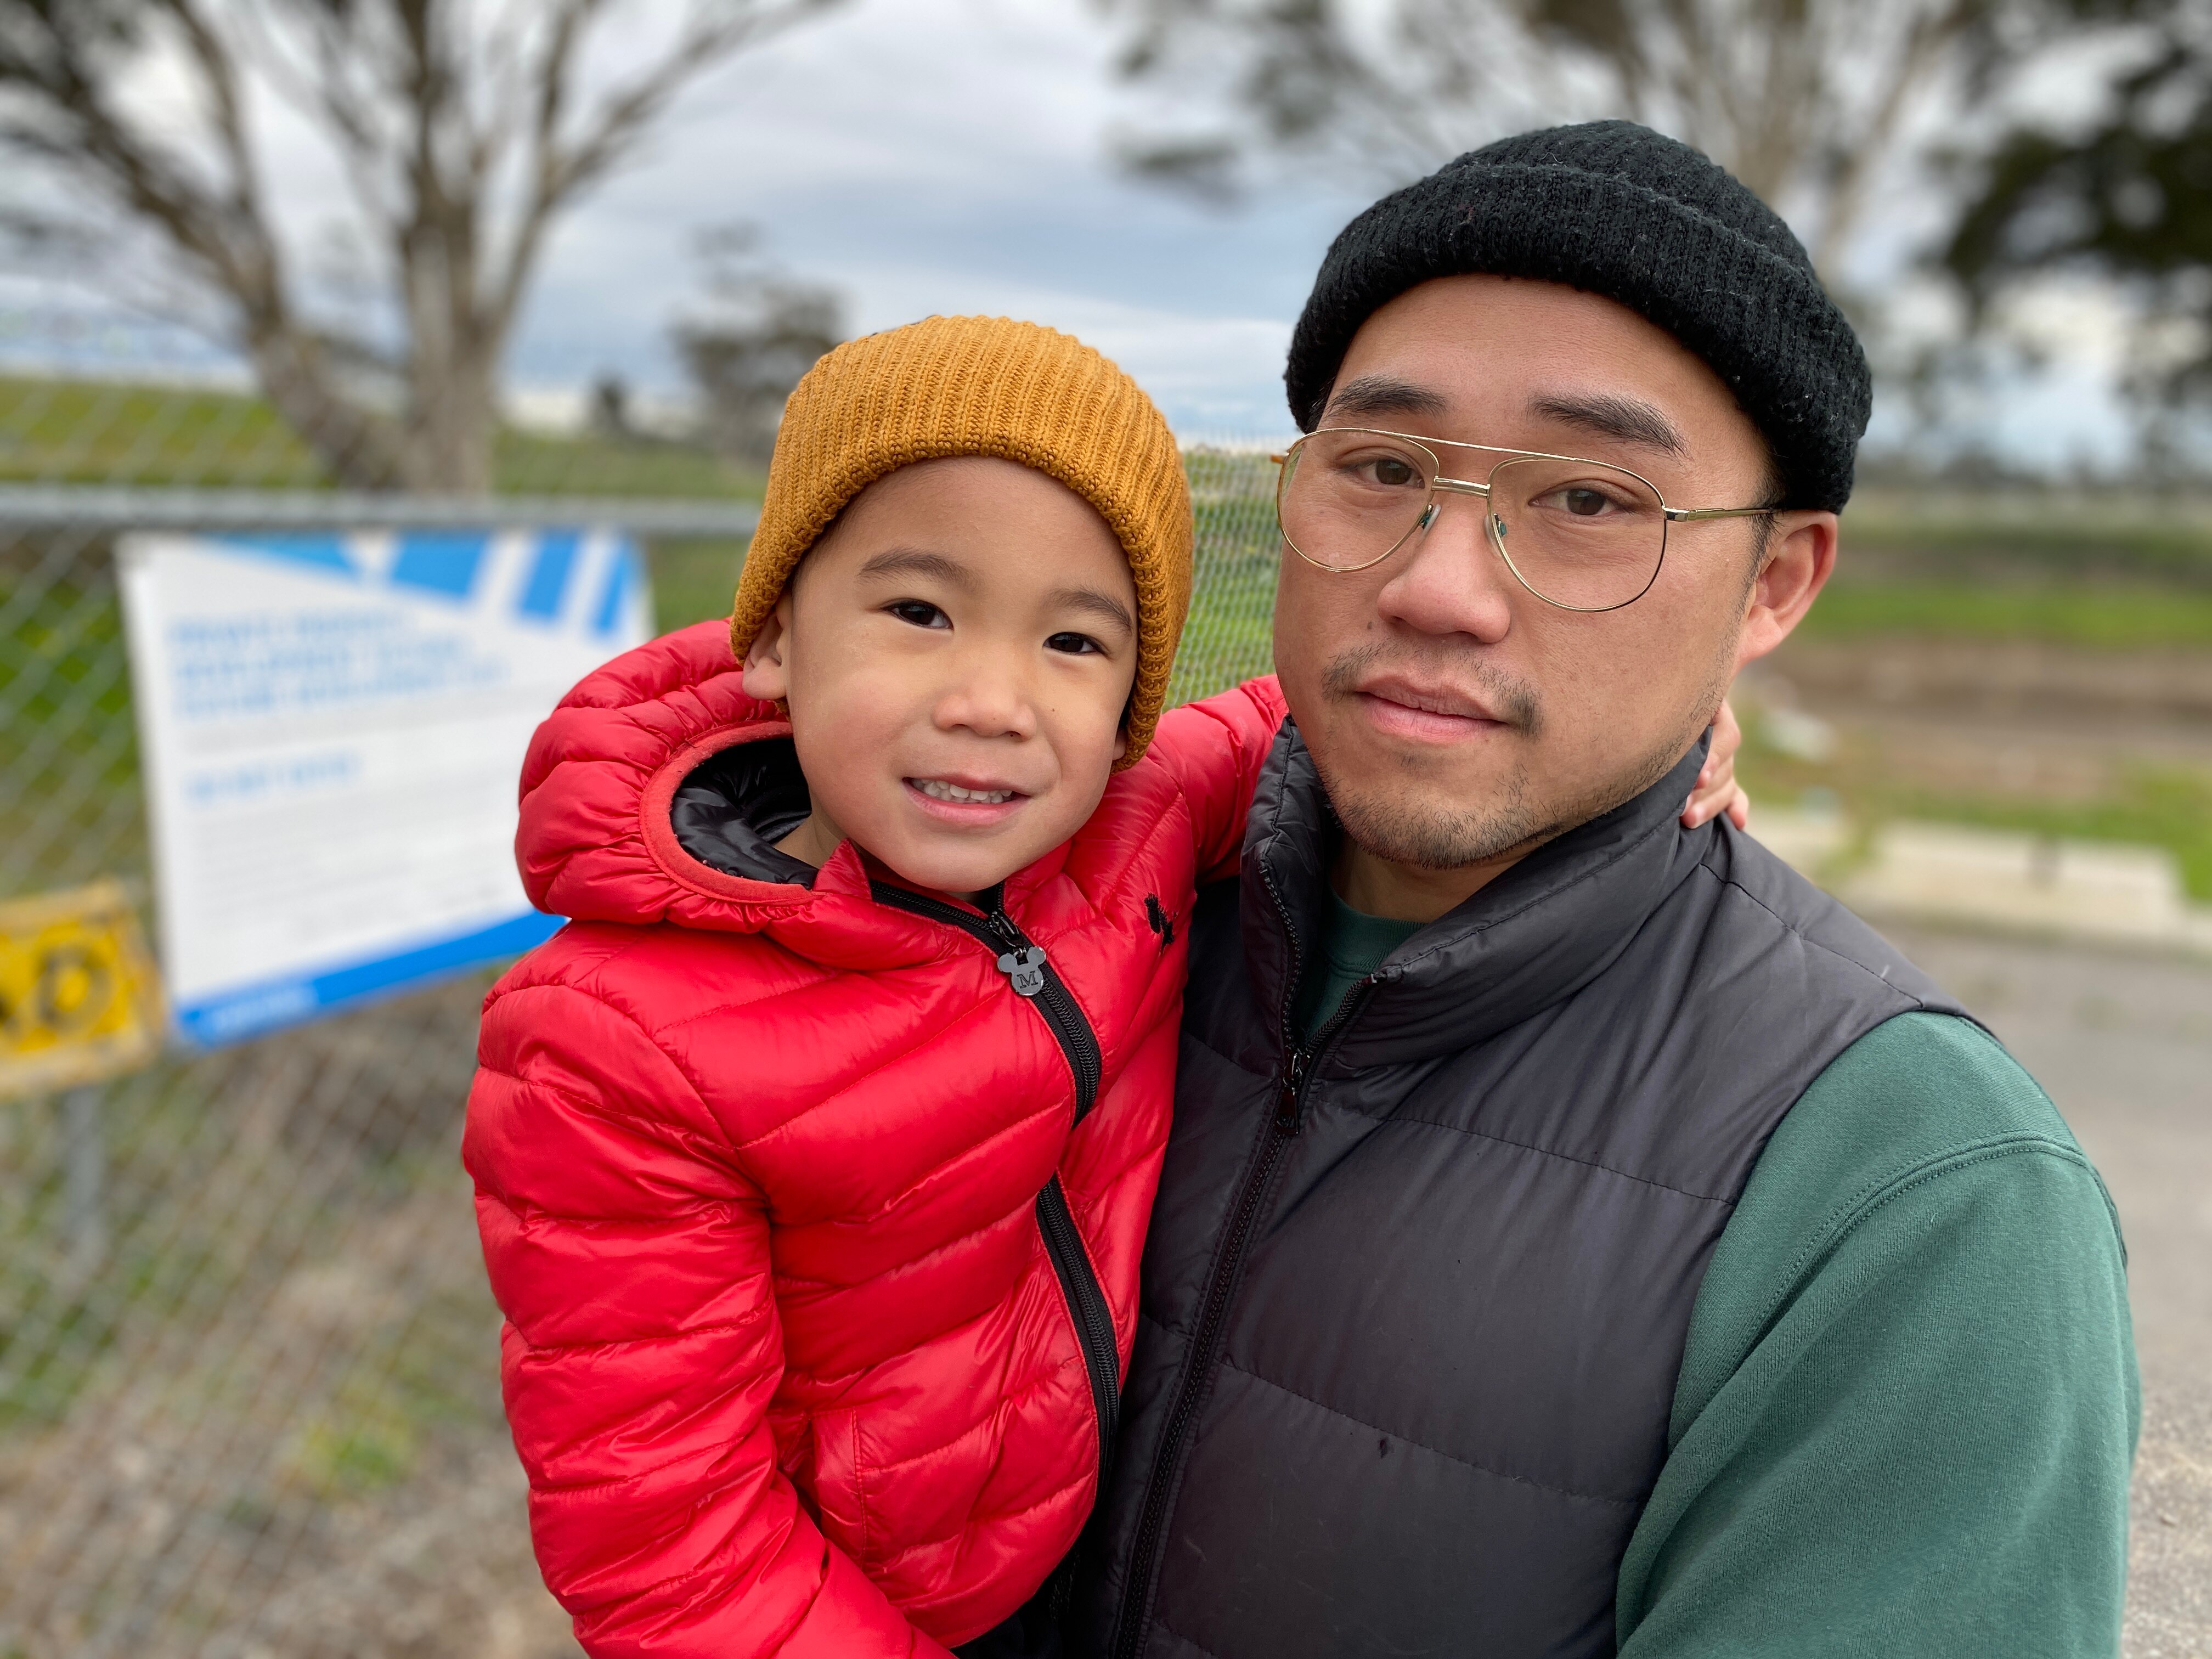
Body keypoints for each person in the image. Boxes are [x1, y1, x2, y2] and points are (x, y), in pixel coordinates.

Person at [464, 313, 1745, 1659]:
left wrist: (1640, 733)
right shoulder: (615, 1044)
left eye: (1075, 644)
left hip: (1096, 1539)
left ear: (1134, 696)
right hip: (879, 1614)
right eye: (918, 611)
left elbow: (1295, 724)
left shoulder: (1123, 828)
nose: (992, 701)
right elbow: (666, 1538)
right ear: (776, 638)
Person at [1070, 122, 2139, 1659]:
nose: (1438, 582)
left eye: (1589, 503)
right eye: (1380, 469)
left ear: (1774, 583)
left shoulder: (1920, 1204)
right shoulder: (1060, 916)